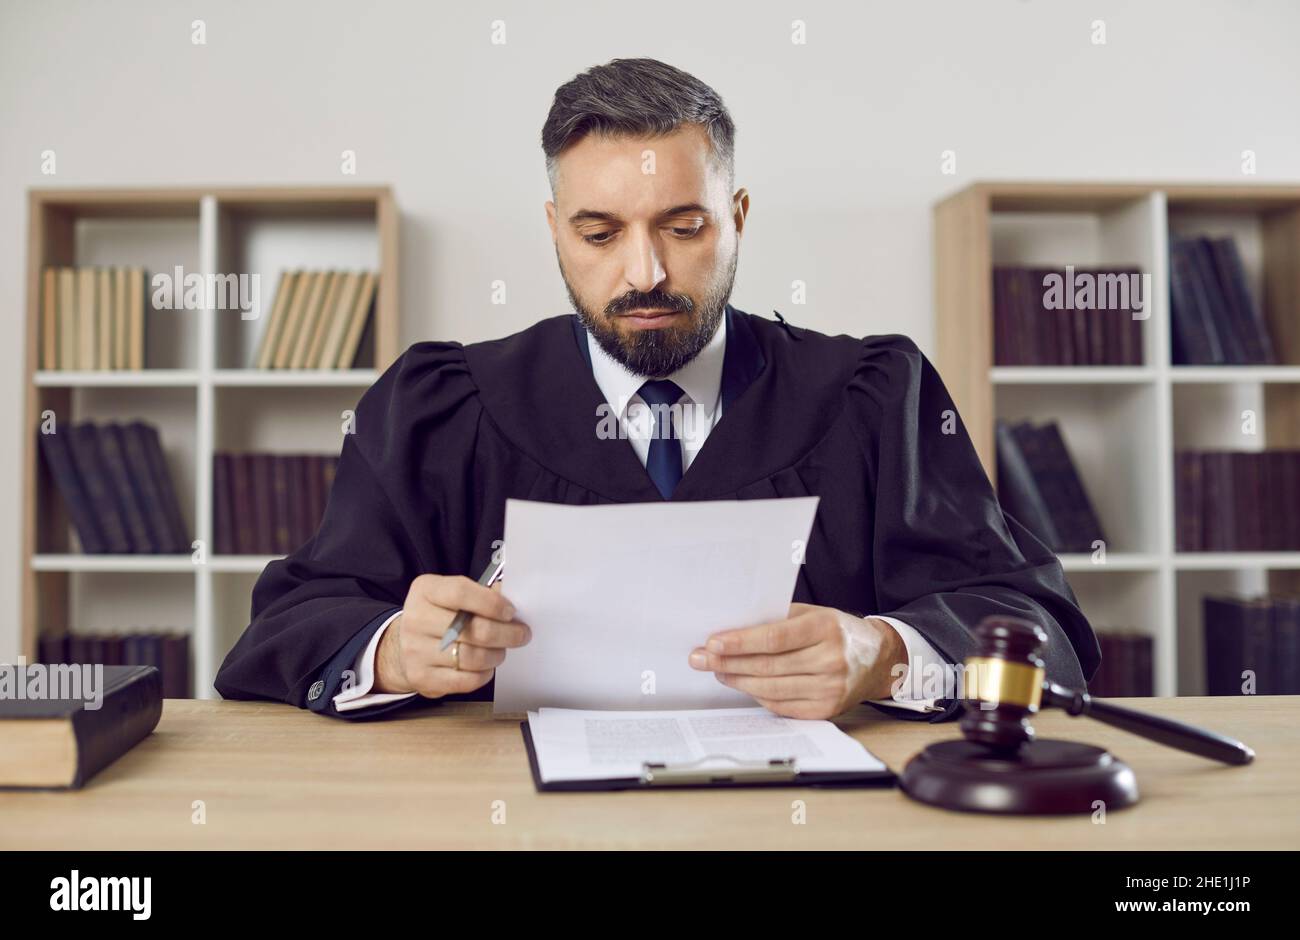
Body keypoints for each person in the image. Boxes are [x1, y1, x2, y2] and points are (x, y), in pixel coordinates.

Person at [215, 57, 1098, 722]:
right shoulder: (435, 408)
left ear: (738, 217)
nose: (645, 273)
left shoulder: (875, 397)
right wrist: (394, 652)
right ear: (554, 230)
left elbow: (1035, 625)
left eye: (684, 227)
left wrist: (889, 652)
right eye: (599, 233)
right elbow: (286, 626)